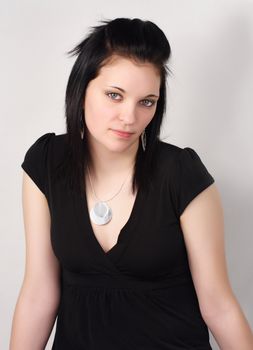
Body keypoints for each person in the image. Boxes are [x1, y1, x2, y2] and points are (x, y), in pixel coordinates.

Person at [10, 17, 253, 350]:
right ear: (82, 90)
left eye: (146, 102)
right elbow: (38, 293)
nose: (129, 117)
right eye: (114, 95)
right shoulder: (46, 163)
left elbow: (219, 306)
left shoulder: (183, 174)